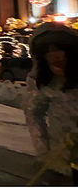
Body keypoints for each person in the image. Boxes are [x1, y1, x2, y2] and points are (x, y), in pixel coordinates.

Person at [23, 23, 78, 184]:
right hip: (64, 158)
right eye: (47, 51)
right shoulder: (43, 81)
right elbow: (34, 113)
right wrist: (45, 153)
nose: (54, 55)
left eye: (58, 48)